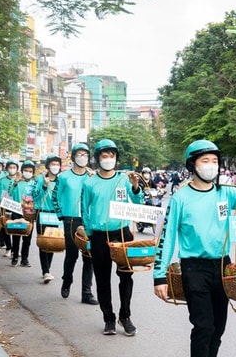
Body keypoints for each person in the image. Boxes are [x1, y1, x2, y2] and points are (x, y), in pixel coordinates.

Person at [153, 140, 236, 357]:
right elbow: (166, 237)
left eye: (214, 161)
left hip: (223, 267)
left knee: (218, 328)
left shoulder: (226, 193)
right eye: (205, 160)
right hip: (194, 269)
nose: (211, 165)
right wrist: (159, 276)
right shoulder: (180, 199)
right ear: (192, 165)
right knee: (203, 327)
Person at [80, 139, 143, 336]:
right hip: (99, 235)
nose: (108, 159)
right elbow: (84, 209)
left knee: (126, 275)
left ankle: (125, 315)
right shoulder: (90, 182)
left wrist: (135, 186)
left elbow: (137, 202)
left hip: (122, 232)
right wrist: (89, 233)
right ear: (98, 159)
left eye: (112, 156)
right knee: (102, 277)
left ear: (116, 158)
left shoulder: (124, 179)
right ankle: (108, 318)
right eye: (104, 156)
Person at [52, 143, 97, 305]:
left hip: (88, 220)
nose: (82, 157)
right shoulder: (64, 177)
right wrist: (61, 215)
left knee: (89, 256)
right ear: (73, 156)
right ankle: (67, 280)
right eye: (79, 154)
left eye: (85, 154)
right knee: (72, 254)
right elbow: (55, 197)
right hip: (71, 219)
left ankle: (87, 292)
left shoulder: (92, 176)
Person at [27, 154, 61, 283]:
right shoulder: (40, 179)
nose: (55, 167)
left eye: (57, 164)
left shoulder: (60, 180)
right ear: (47, 166)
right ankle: (45, 271)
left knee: (53, 242)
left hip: (55, 215)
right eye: (53, 164)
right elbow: (34, 195)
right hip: (43, 214)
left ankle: (48, 269)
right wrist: (44, 186)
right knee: (43, 241)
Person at [10, 160, 36, 267]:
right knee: (16, 235)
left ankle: (25, 259)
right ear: (22, 171)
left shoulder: (35, 184)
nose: (28, 172)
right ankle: (15, 255)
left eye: (30, 171)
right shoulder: (16, 182)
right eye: (26, 170)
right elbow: (8, 193)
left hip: (29, 213)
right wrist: (15, 183)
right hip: (17, 211)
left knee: (27, 237)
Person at [0, 159, 20, 257]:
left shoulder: (20, 180)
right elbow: (0, 194)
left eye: (14, 167)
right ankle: (8, 248)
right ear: (7, 169)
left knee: (16, 228)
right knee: (6, 227)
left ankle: (15, 249)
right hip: (6, 207)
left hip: (17, 208)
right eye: (10, 167)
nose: (12, 169)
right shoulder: (2, 181)